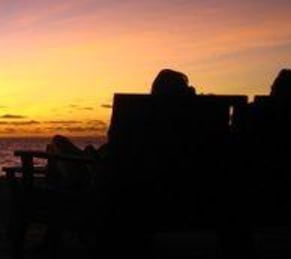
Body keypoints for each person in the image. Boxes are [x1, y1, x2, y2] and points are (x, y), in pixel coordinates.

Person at [44, 68, 196, 188]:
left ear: (154, 93)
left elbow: (116, 145)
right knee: (75, 150)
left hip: (106, 179)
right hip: (164, 186)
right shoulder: (194, 123)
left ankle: (54, 200)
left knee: (57, 143)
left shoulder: (139, 114)